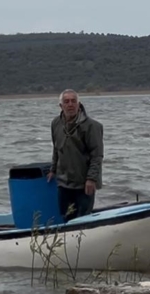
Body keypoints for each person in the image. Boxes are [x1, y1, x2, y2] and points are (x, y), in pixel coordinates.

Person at [47, 89, 104, 221]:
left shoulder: (91, 126)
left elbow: (97, 155)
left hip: (84, 183)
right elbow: (56, 148)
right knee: (66, 217)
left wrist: (91, 179)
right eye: (66, 102)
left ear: (79, 104)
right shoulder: (56, 124)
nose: (70, 104)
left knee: (82, 219)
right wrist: (53, 169)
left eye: (73, 101)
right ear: (61, 106)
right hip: (64, 182)